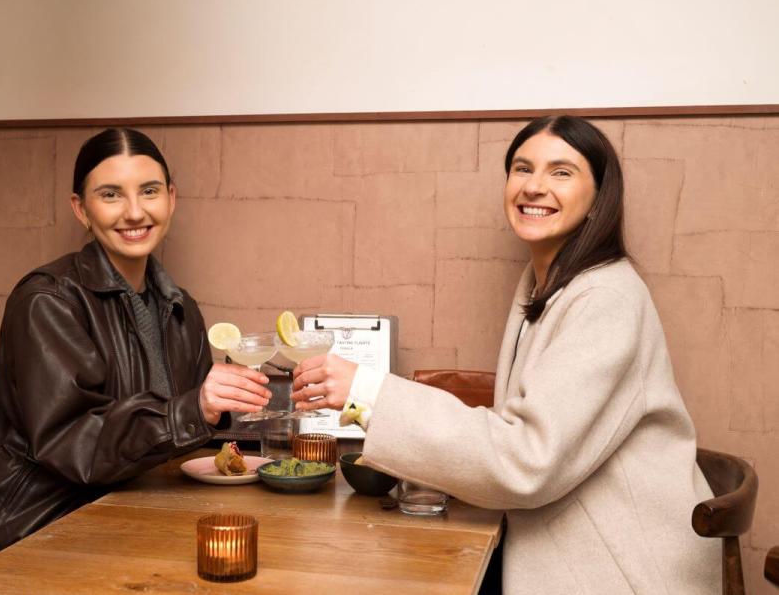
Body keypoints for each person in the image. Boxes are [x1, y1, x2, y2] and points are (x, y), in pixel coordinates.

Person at [291, 116, 721, 594]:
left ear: (600, 197)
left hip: (624, 568)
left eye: (561, 172)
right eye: (522, 168)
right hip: (561, 539)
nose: (534, 187)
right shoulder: (546, 281)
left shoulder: (608, 299)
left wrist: (366, 392)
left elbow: (526, 459)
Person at [0, 128, 272, 562]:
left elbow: (189, 430)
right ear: (81, 209)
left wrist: (259, 408)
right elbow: (75, 443)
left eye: (149, 191)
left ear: (171, 199)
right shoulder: (46, 301)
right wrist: (193, 408)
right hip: (39, 526)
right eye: (110, 195)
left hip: (132, 510)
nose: (134, 212)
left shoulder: (180, 308)